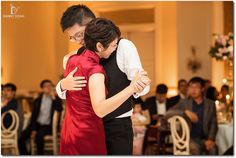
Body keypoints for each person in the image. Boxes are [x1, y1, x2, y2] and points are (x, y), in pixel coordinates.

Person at [56, 4, 150, 155]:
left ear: (92, 23)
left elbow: (143, 86)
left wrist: (140, 85)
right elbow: (69, 94)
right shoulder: (75, 56)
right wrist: (62, 85)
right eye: (72, 37)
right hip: (89, 128)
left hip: (117, 126)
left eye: (79, 34)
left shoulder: (123, 46)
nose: (78, 40)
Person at [166, 77, 218, 155]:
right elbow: (168, 113)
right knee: (195, 149)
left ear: (202, 89)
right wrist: (185, 112)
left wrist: (211, 139)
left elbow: (214, 123)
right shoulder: (184, 102)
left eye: (196, 87)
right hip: (188, 139)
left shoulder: (210, 104)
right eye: (191, 87)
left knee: (213, 149)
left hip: (204, 139)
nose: (193, 90)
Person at [18, 80, 62, 155]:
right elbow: (33, 116)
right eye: (46, 86)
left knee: (39, 136)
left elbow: (59, 109)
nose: (48, 88)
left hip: (48, 126)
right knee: (21, 137)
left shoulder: (56, 99)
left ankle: (40, 155)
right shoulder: (37, 100)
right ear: (42, 88)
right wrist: (33, 129)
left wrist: (53, 97)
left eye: (50, 86)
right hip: (37, 124)